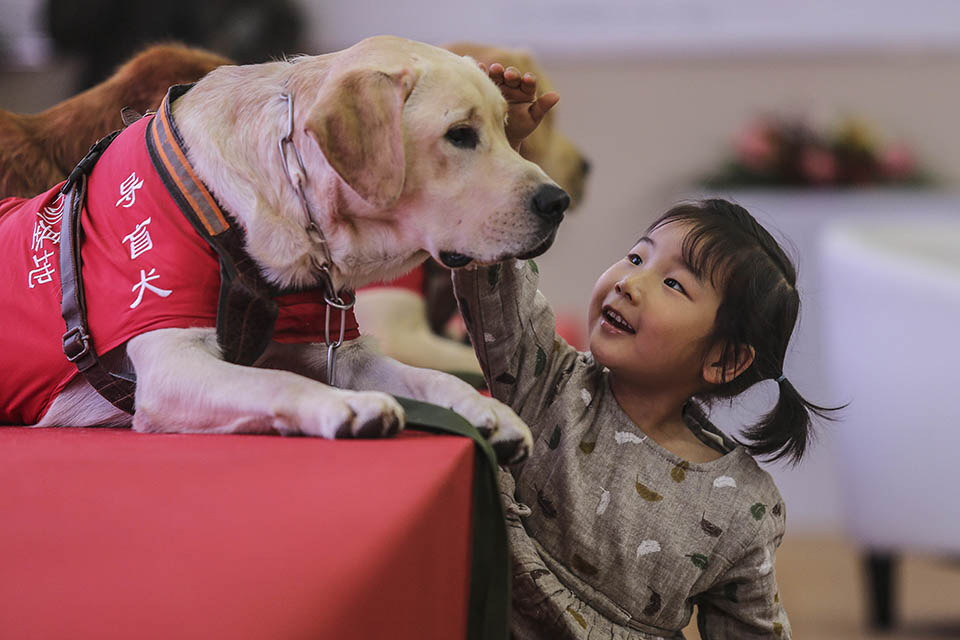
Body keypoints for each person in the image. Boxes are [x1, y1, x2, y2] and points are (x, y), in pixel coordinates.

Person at [452, 75, 837, 638]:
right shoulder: (548, 380)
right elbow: (492, 274)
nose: (630, 283)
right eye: (636, 257)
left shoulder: (743, 507)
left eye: (675, 286)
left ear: (725, 361)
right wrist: (503, 153)